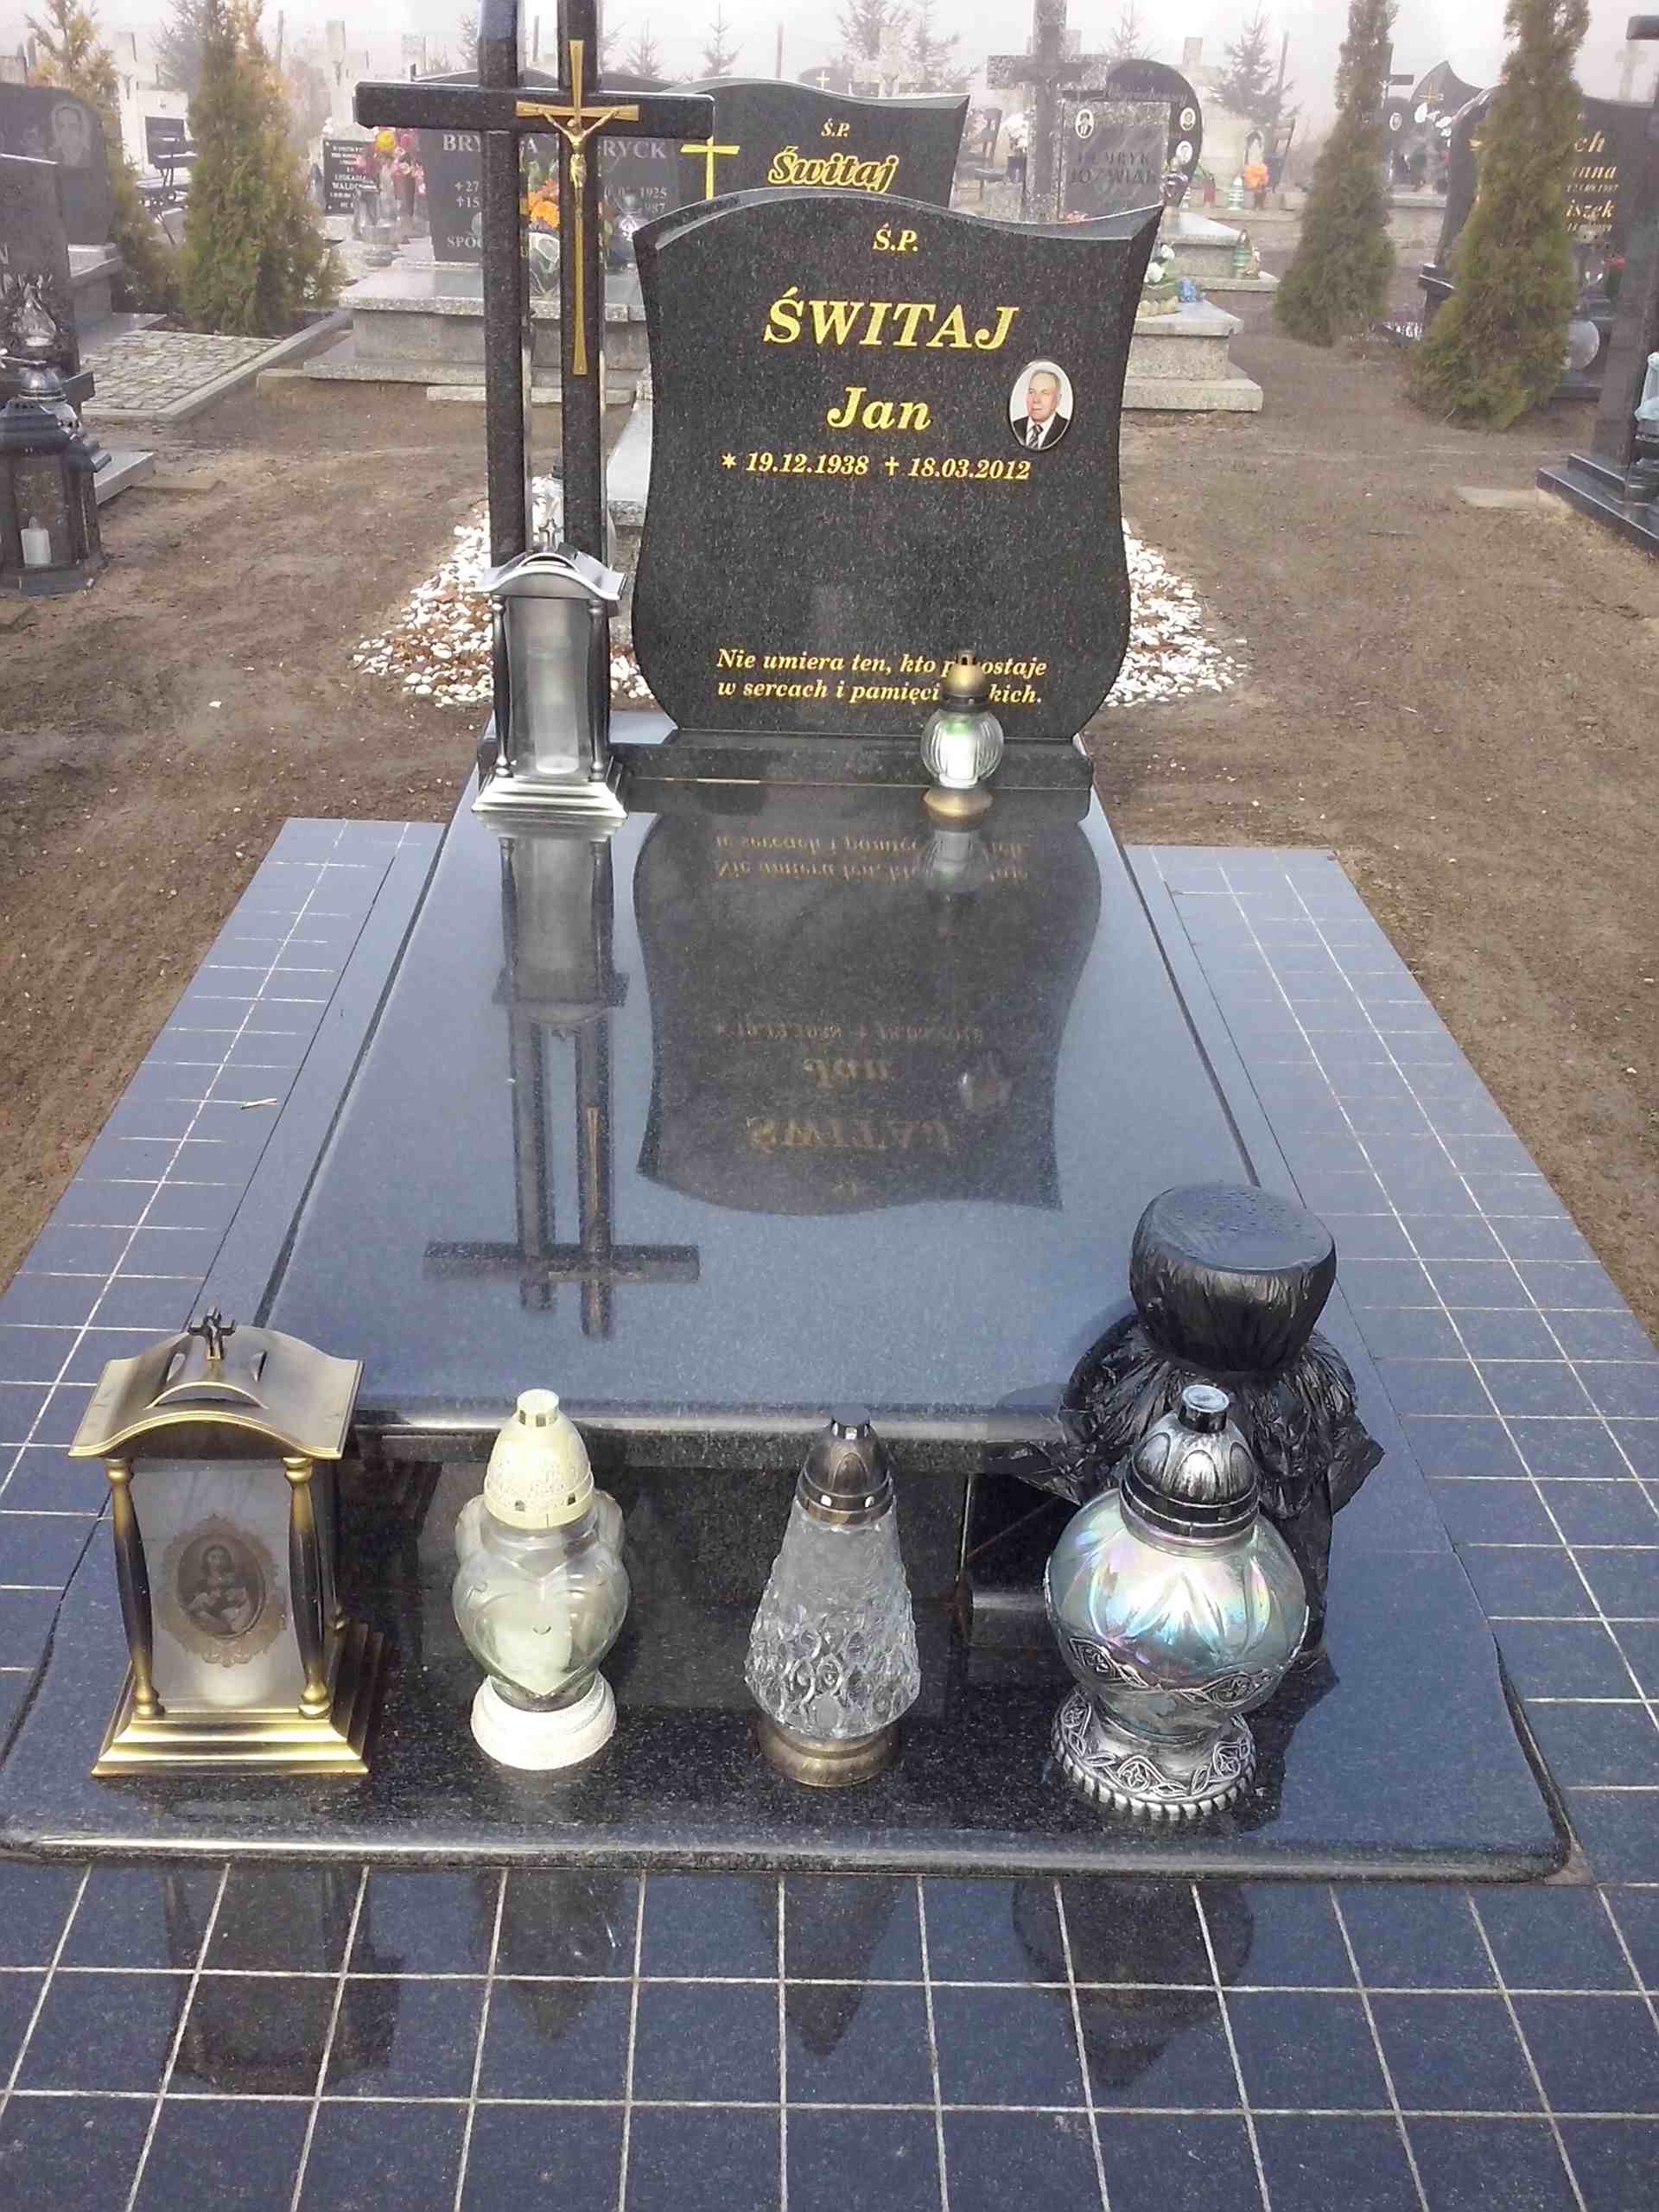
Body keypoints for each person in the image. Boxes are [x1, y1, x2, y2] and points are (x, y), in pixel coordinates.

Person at [1014, 366, 1070, 451]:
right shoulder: (1014, 427)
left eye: (1045, 393)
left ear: (1058, 399)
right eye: (1031, 392)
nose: (1036, 400)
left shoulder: (1067, 429)